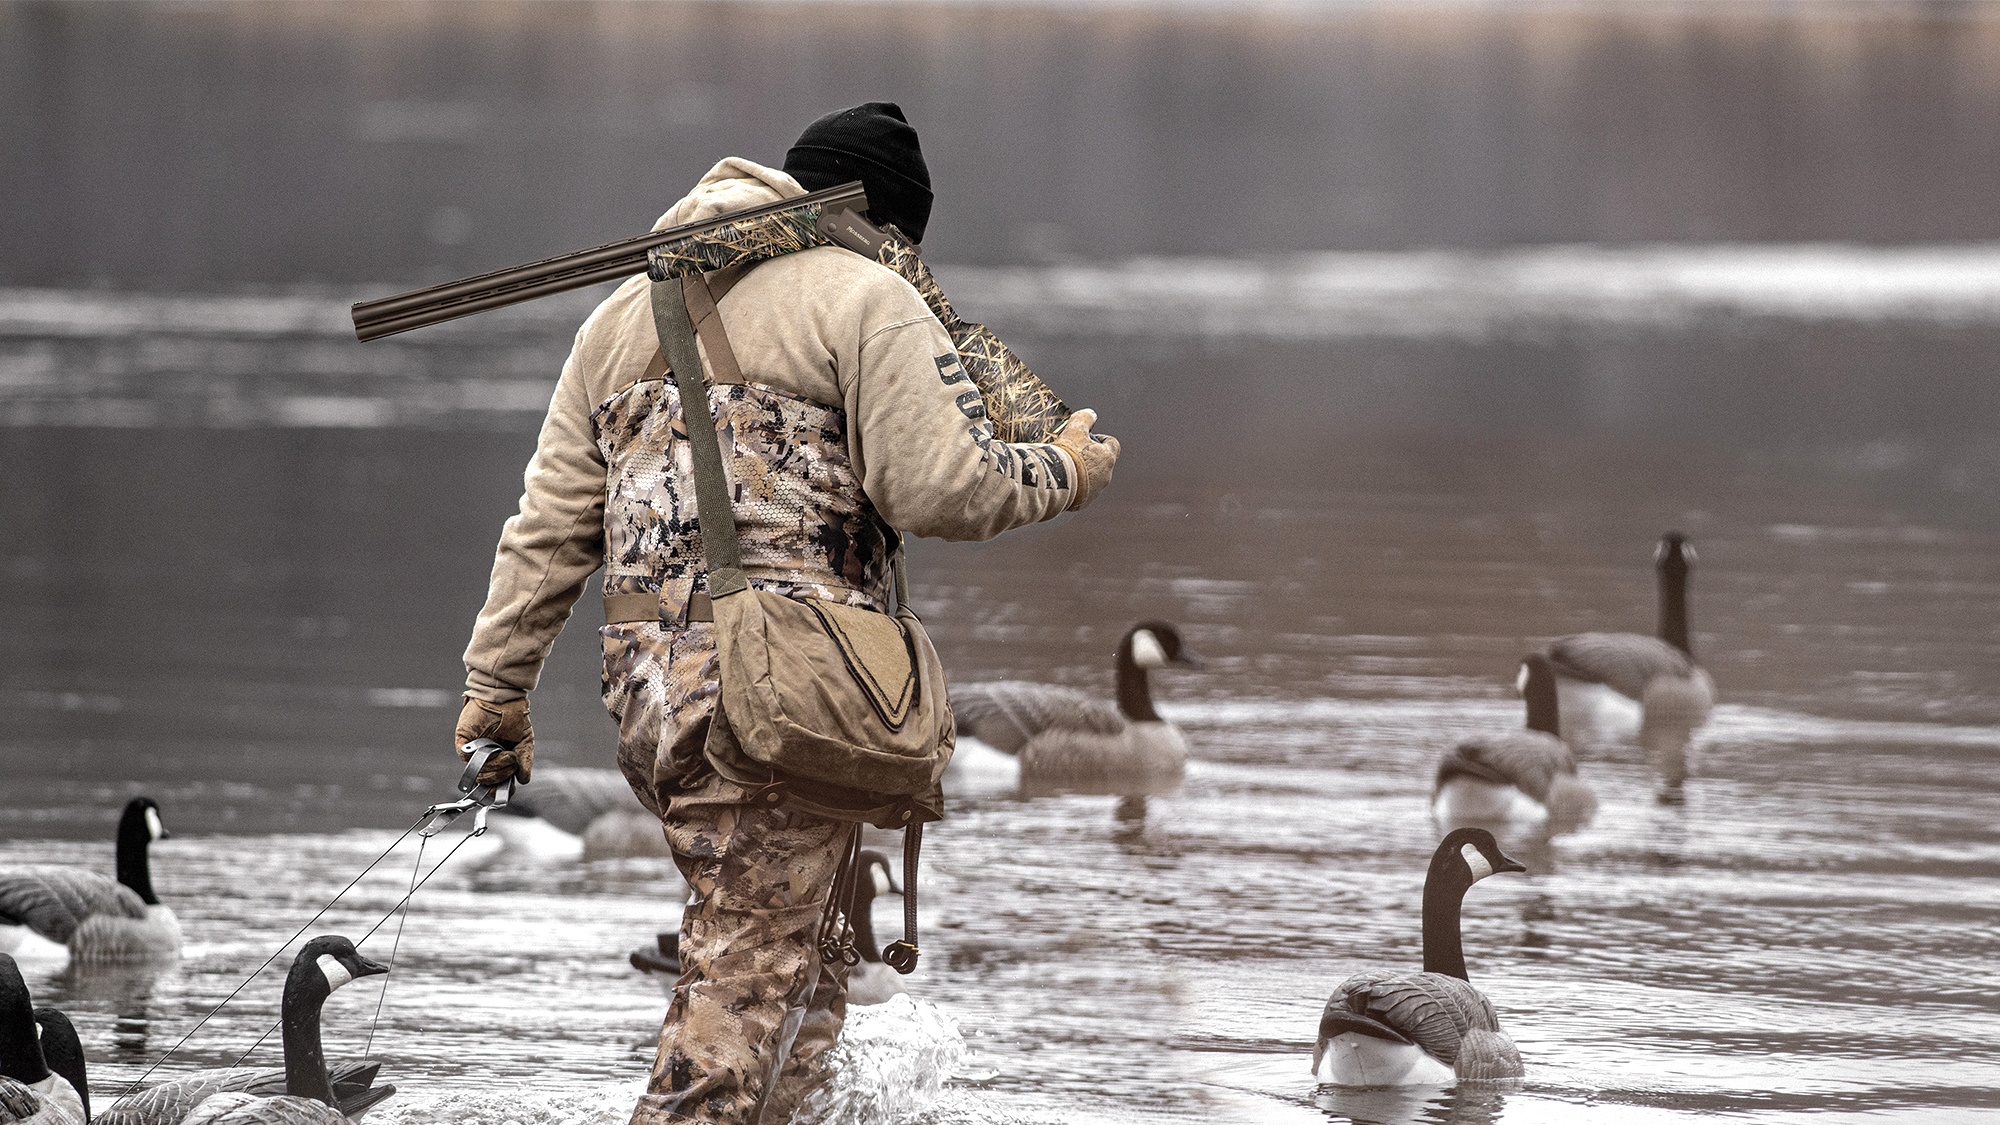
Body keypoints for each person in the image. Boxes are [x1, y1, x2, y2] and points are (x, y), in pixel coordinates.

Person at [450, 102, 1120, 1124]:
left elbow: (546, 532)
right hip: (787, 688)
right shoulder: (865, 297)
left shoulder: (620, 313)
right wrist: (1060, 469)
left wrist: (495, 697)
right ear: (891, 225)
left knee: (800, 968)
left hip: (647, 690)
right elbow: (940, 489)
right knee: (747, 979)